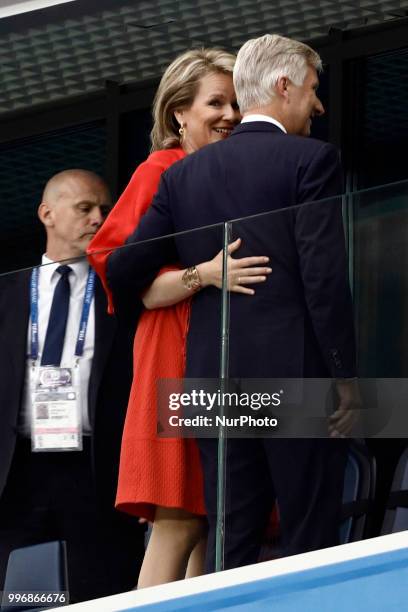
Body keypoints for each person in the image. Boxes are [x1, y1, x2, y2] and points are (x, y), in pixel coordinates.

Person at [106, 34, 359, 572]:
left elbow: (123, 268)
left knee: (229, 545)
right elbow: (324, 279)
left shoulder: (180, 176)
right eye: (314, 90)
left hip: (210, 384)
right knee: (307, 535)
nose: (318, 105)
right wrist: (346, 377)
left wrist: (188, 270)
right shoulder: (311, 159)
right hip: (293, 379)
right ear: (285, 86)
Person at [88, 49, 271, 587]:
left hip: (221, 348)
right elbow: (122, 276)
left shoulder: (235, 169)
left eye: (237, 103)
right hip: (175, 346)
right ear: (178, 115)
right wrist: (204, 274)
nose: (231, 115)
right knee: (179, 516)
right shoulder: (162, 169)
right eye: (216, 102)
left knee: (206, 519)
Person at [0, 169, 145, 602]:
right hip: (16, 469)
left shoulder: (122, 291)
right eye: (85, 209)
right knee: (15, 596)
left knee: (101, 591)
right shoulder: (6, 293)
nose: (98, 219)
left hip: (95, 468)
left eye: (104, 210)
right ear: (47, 213)